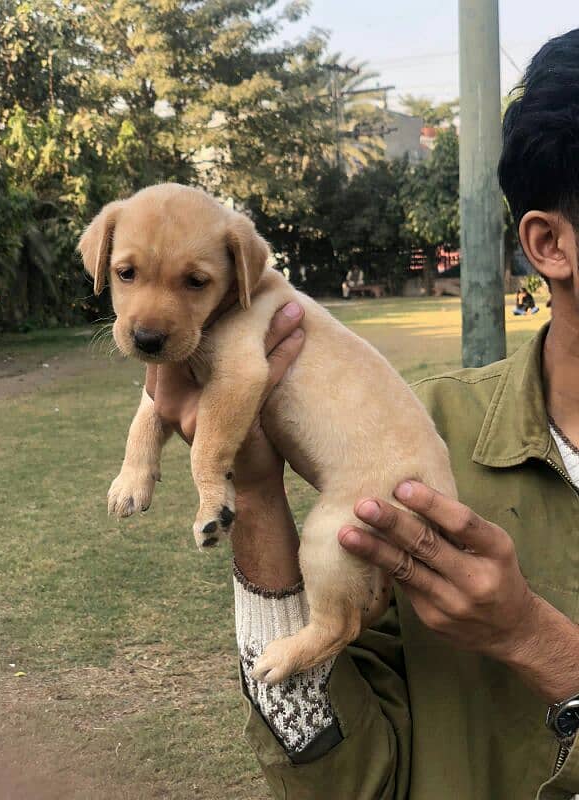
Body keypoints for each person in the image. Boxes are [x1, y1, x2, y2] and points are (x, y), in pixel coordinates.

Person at [147, 30, 579, 800]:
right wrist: (256, 497)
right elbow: (336, 776)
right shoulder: (431, 441)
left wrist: (533, 640)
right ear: (549, 244)